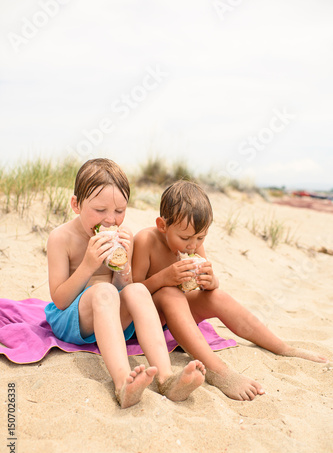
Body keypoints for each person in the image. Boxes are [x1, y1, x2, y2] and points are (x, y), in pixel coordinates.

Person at [132, 180, 329, 401]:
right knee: (171, 293)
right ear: (162, 225)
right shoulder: (145, 240)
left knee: (217, 297)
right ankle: (219, 372)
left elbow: (209, 284)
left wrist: (209, 281)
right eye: (185, 238)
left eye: (200, 238)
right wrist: (164, 278)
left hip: (178, 314)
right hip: (150, 316)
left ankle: (281, 347)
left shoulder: (194, 242)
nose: (192, 245)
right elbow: (134, 291)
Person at [45, 160, 205, 409]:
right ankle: (122, 383)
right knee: (104, 290)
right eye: (100, 210)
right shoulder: (60, 238)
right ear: (76, 204)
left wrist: (124, 267)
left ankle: (165, 377)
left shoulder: (122, 236)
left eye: (119, 210)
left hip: (112, 318)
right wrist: (88, 264)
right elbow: (60, 299)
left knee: (137, 289)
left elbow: (123, 287)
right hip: (74, 320)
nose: (111, 219)